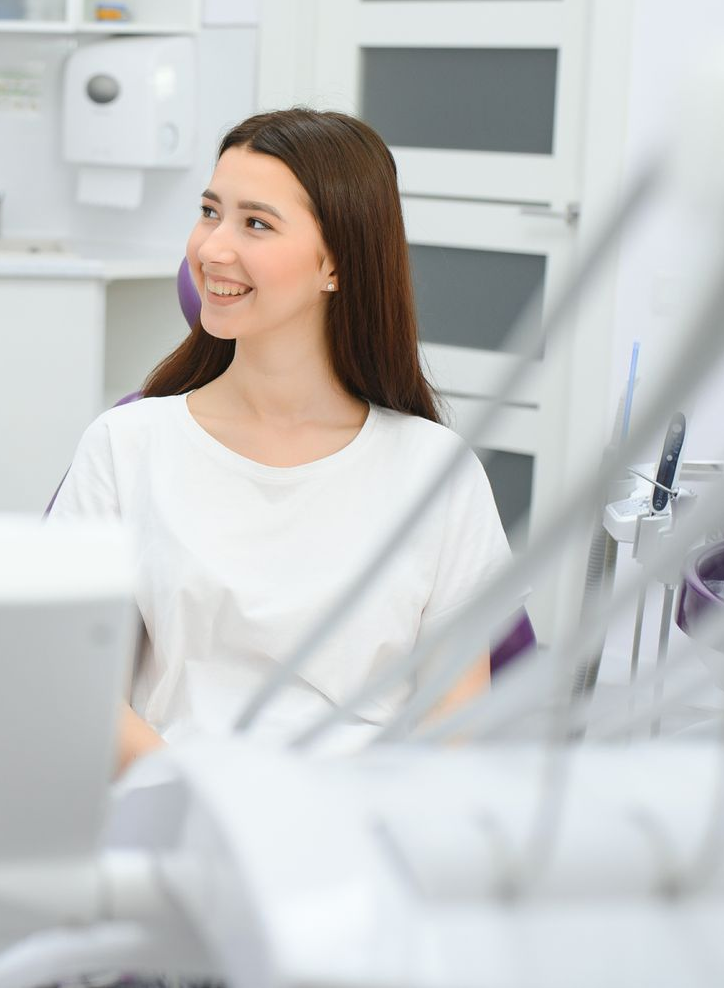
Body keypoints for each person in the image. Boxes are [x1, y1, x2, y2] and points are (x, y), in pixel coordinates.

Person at [48, 108, 512, 762]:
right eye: (209, 211)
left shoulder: (435, 471)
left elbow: (451, 729)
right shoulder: (125, 446)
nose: (210, 248)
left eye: (255, 223)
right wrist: (214, 807)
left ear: (336, 264)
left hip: (361, 832)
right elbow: (71, 685)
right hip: (175, 819)